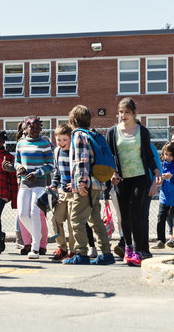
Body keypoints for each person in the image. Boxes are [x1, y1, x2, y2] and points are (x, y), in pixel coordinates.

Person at [106, 98, 161, 267]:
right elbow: (109, 157)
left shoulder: (142, 131)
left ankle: (138, 250)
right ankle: (128, 248)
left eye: (127, 112)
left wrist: (156, 172)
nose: (123, 115)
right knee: (125, 216)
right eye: (121, 112)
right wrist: (111, 175)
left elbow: (149, 155)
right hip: (122, 179)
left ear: (134, 113)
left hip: (140, 177)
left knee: (136, 213)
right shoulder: (112, 132)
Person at [63, 105, 114, 265]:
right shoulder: (92, 134)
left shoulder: (78, 135)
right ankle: (106, 253)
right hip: (97, 182)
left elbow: (81, 160)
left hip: (86, 183)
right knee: (95, 219)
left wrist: (81, 182)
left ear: (73, 120)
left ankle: (81, 253)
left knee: (76, 218)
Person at [14, 116, 54, 259]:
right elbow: (16, 161)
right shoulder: (20, 143)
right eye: (32, 127)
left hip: (39, 183)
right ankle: (39, 235)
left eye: (38, 127)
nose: (35, 129)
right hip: (24, 183)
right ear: (26, 127)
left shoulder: (45, 143)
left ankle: (35, 248)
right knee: (23, 214)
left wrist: (37, 173)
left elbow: (50, 165)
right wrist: (19, 168)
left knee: (35, 212)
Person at [49, 124, 75, 261]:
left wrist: (76, 183)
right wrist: (53, 185)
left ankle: (73, 250)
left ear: (70, 139)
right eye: (59, 140)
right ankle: (62, 248)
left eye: (65, 139)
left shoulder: (75, 152)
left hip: (74, 192)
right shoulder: (57, 151)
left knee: (72, 223)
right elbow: (57, 173)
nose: (62, 143)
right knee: (55, 219)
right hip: (62, 192)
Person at [153, 142, 174, 250]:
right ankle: (160, 240)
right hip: (164, 197)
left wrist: (172, 177)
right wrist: (159, 180)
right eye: (166, 154)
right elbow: (157, 179)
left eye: (170, 155)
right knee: (160, 218)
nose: (168, 157)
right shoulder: (161, 164)